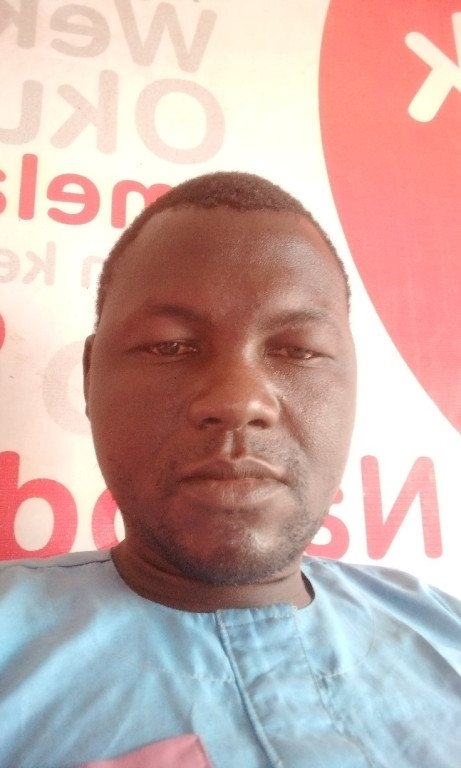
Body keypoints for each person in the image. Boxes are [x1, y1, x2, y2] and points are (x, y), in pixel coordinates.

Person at [1, 172, 460, 768]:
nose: (238, 400)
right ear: (90, 378)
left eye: (297, 349)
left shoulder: (446, 631)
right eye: (170, 345)